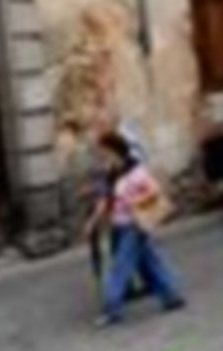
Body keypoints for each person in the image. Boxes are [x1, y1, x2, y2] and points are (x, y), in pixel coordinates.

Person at [86, 131, 186, 328]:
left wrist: (134, 201)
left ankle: (111, 310)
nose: (100, 155)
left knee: (120, 267)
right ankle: (171, 297)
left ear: (114, 150)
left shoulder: (136, 171)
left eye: (103, 151)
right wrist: (92, 222)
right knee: (149, 262)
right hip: (119, 225)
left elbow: (154, 191)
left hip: (134, 225)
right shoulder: (112, 171)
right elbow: (105, 198)